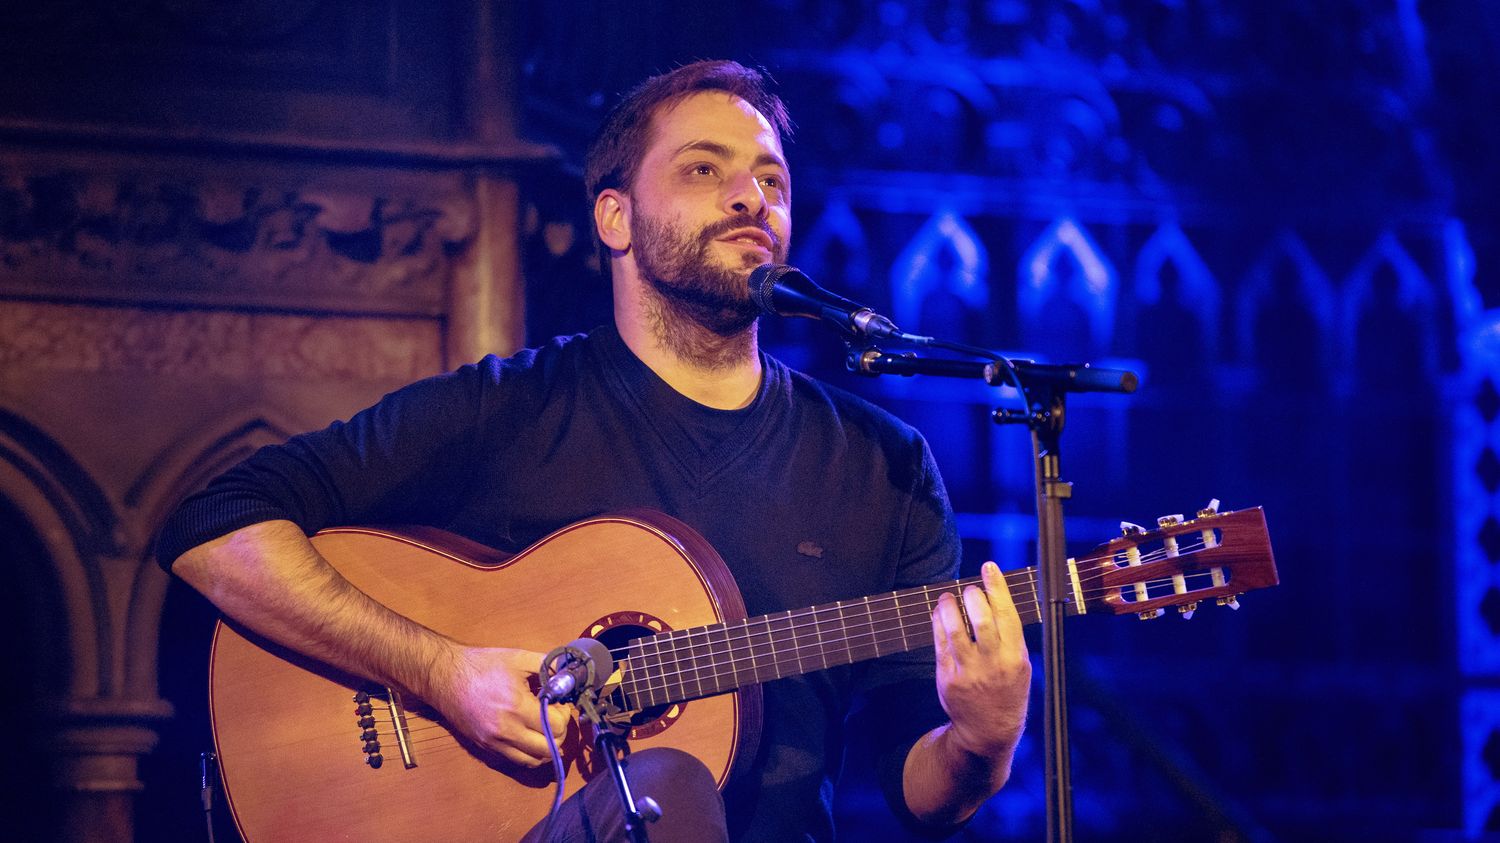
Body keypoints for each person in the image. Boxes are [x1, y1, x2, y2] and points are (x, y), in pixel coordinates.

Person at [157, 60, 1031, 842]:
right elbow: (212, 527)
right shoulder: (511, 409)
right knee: (664, 787)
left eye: (772, 178)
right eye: (704, 169)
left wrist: (981, 746)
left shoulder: (882, 464)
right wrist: (443, 671)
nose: (750, 198)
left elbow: (920, 793)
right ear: (615, 216)